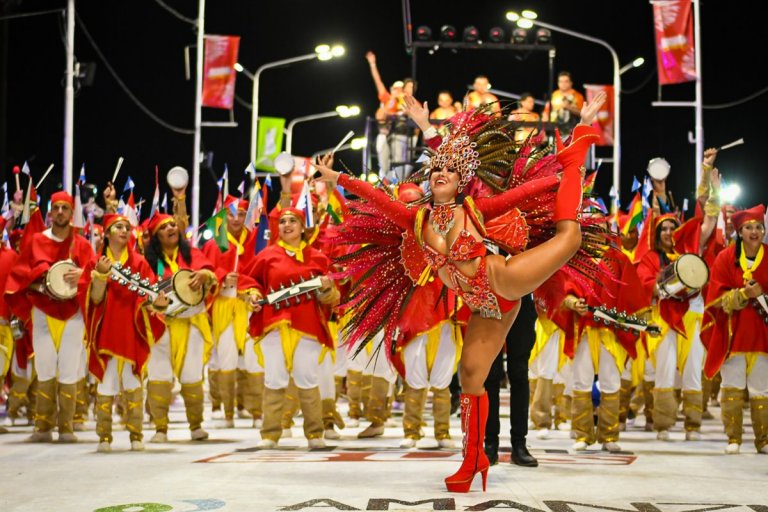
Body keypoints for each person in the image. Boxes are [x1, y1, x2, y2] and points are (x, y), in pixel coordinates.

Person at [312, 90, 607, 492]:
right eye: (436, 170)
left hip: (506, 280)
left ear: (461, 180)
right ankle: (474, 459)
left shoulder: (474, 208)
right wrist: (338, 179)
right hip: (485, 308)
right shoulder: (417, 219)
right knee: (471, 375)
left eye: (450, 171)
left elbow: (517, 195)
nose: (440, 174)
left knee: (569, 237)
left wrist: (560, 176)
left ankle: (576, 153)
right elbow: (379, 199)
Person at [243, 205, 340, 449]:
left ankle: (315, 434)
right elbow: (251, 281)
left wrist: (327, 289)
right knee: (275, 378)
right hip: (274, 325)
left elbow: (332, 296)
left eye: (292, 221)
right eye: (283, 221)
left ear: (301, 226)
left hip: (307, 325)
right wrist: (253, 295)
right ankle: (270, 434)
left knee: (307, 378)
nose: (287, 225)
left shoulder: (317, 257)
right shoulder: (267, 255)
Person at [5, 191, 95, 443]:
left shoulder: (82, 245)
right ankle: (43, 427)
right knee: (44, 367)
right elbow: (20, 275)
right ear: (49, 212)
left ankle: (66, 427)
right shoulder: (35, 241)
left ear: (71, 213)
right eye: (56, 208)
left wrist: (82, 275)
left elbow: (94, 273)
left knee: (68, 368)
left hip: (72, 312)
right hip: (43, 309)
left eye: (65, 208)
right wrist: (39, 279)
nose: (60, 213)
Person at [78, 213, 164, 452]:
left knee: (133, 384)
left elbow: (150, 298)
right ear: (107, 234)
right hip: (106, 332)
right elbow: (92, 300)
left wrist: (159, 304)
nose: (124, 231)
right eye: (118, 227)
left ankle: (136, 435)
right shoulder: (96, 262)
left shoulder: (139, 263)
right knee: (106, 385)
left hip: (131, 331)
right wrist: (101, 277)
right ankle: (104, 437)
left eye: (127, 227)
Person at [143, 212, 219, 442]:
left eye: (173, 224)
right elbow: (141, 292)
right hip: (160, 324)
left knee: (191, 375)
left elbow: (211, 275)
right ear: (156, 236)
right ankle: (160, 429)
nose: (171, 228)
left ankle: (196, 425)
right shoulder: (148, 261)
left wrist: (205, 274)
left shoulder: (192, 254)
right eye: (164, 227)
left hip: (191, 323)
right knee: (159, 375)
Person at [701, 204, 768, 454]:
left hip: (762, 336)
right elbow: (715, 298)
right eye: (748, 227)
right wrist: (742, 294)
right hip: (733, 334)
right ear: (740, 232)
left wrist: (761, 294)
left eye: (758, 227)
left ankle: (764, 440)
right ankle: (734, 439)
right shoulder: (726, 258)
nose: (754, 232)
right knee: (732, 387)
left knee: (762, 390)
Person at [202, 194, 259, 428]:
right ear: (225, 216)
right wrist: (222, 278)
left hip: (248, 305)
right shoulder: (215, 243)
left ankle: (256, 410)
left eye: (242, 214)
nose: (237, 219)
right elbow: (204, 273)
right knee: (226, 357)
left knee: (254, 358)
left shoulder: (255, 240)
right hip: (223, 305)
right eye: (232, 214)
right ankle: (226, 412)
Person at [484, 292, 538, 467]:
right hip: (489, 298)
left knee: (519, 374)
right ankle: (490, 444)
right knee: (490, 375)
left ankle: (519, 444)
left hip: (521, 299)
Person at [366, 51, 412, 181]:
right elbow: (378, 82)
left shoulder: (405, 101)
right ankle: (384, 178)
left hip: (401, 134)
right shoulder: (387, 99)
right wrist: (372, 63)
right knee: (382, 153)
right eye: (395, 88)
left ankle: (399, 181)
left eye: (400, 88)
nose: (397, 91)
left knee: (400, 161)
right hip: (385, 134)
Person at [543, 71, 585, 137]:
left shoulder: (578, 96)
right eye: (561, 81)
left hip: (572, 133)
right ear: (558, 83)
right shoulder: (554, 95)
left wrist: (569, 107)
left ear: (571, 83)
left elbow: (583, 114)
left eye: (566, 81)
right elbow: (546, 113)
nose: (563, 84)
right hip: (555, 132)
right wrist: (543, 131)